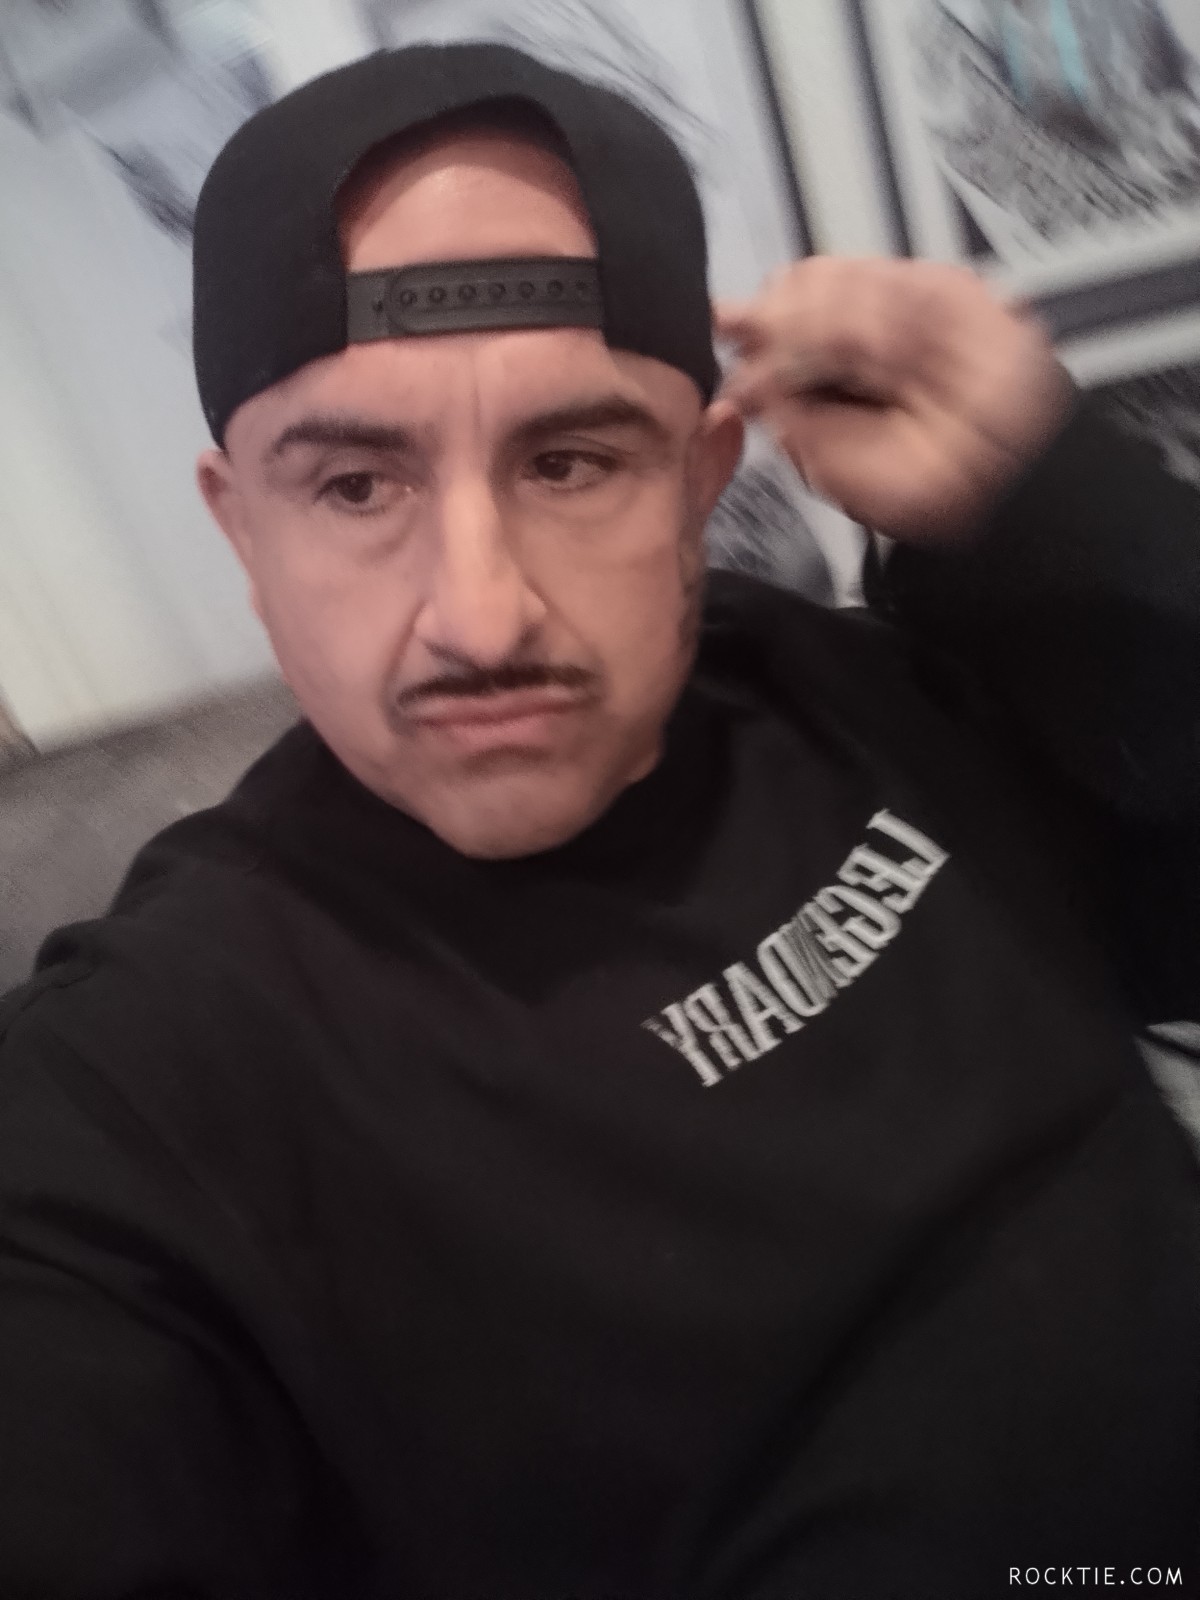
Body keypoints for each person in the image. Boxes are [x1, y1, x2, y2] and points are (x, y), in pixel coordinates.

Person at [0, 40, 1197, 1599]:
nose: (481, 616)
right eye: (356, 487)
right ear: (244, 530)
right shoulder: (155, 1074)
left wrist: (1046, 498)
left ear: (701, 479)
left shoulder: (843, 686)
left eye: (571, 462)